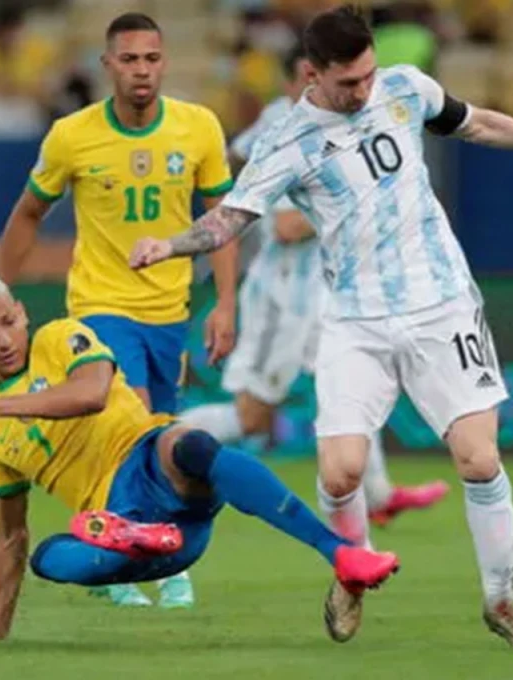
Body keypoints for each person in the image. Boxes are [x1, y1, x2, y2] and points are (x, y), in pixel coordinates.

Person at [129, 5, 513, 647]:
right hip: (353, 320)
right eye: (348, 83)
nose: (362, 90)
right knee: (340, 473)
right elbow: (230, 219)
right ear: (313, 74)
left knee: (479, 459)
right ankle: (353, 570)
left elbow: (479, 125)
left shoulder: (404, 87)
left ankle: (501, 601)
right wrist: (170, 245)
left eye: (367, 75)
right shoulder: (285, 142)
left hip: (443, 302)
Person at [0, 276, 398, 642]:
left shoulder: (61, 337)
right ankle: (130, 541)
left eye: (8, 322)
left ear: (23, 314)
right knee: (47, 558)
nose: (3, 340)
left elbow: (91, 394)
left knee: (191, 445)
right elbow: (9, 538)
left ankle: (342, 554)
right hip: (120, 517)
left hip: (146, 455)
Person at [0, 13, 240, 609]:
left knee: (162, 431)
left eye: (151, 59)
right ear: (108, 65)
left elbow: (224, 221)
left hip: (170, 311)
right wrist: (3, 295)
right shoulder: (72, 136)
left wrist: (226, 302)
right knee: (123, 430)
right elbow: (29, 212)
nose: (142, 70)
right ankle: (126, 563)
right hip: (101, 307)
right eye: (129, 59)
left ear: (164, 63)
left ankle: (157, 553)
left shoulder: (198, 128)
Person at [179, 44, 449, 533]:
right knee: (251, 418)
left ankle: (380, 495)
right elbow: (283, 227)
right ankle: (159, 444)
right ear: (303, 78)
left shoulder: (336, 121)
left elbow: (232, 152)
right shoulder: (286, 128)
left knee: (353, 388)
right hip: (282, 298)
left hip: (325, 294)